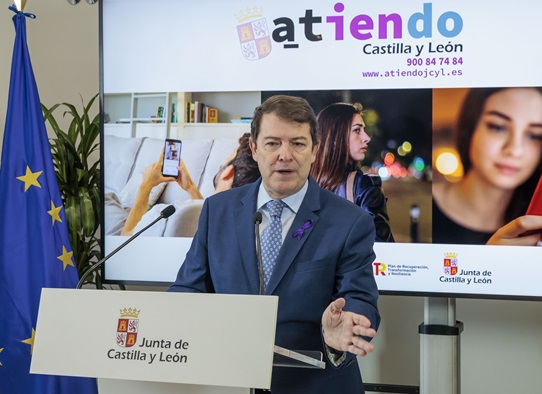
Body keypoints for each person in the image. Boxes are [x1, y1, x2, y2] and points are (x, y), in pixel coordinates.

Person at [170, 95, 380, 393]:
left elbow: (359, 297)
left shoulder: (350, 221)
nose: (285, 155)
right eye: (272, 143)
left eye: (298, 143)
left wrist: (346, 326)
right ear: (255, 148)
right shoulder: (217, 210)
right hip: (231, 381)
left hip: (315, 384)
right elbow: (188, 289)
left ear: (314, 150)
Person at [432, 87, 542, 247]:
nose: (514, 150)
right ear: (470, 128)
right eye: (498, 127)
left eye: (535, 135)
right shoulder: (420, 205)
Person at [120, 133, 260, 236]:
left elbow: (125, 240)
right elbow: (206, 215)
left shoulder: (169, 215)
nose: (223, 162)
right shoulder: (245, 223)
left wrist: (146, 186)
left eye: (229, 156)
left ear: (228, 173)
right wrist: (190, 187)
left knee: (110, 200)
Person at [311, 102, 394, 242]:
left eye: (363, 130)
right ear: (335, 137)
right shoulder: (365, 187)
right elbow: (381, 248)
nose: (367, 138)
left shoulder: (303, 186)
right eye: (357, 130)